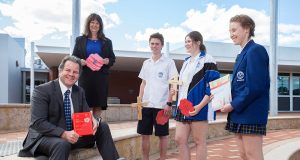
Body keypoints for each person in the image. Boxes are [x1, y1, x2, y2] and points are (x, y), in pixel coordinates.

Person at [18, 56, 124, 160]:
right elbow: (38, 123)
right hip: (45, 137)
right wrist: (63, 134)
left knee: (103, 127)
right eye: (68, 70)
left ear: (79, 75)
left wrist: (94, 120)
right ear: (60, 71)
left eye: (75, 72)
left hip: (73, 135)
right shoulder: (42, 91)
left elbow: (87, 113)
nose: (71, 74)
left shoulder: (79, 91)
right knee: (62, 144)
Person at [220, 14, 270, 160]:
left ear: (247, 29)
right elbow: (239, 86)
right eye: (230, 31)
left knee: (252, 155)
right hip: (239, 113)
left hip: (251, 113)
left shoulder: (256, 50)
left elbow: (255, 86)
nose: (231, 35)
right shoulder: (242, 54)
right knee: (243, 155)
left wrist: (233, 105)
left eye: (234, 30)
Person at [173, 31, 220, 160]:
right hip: (183, 107)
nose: (186, 44)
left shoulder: (208, 59)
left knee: (199, 141)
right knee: (179, 139)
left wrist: (199, 106)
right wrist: (175, 91)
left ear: (198, 42)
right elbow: (184, 85)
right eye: (185, 41)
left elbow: (212, 86)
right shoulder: (186, 61)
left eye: (189, 41)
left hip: (199, 106)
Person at [137, 32, 178, 160]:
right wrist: (139, 102)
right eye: (152, 43)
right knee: (144, 135)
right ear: (150, 45)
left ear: (162, 45)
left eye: (157, 44)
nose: (154, 46)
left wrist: (169, 103)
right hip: (146, 105)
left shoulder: (169, 62)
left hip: (162, 106)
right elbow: (143, 83)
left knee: (163, 136)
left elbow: (174, 84)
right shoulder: (146, 63)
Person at [72, 13, 115, 116]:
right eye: (92, 22)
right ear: (88, 24)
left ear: (100, 26)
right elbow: (74, 57)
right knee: (86, 105)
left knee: (98, 106)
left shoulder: (107, 42)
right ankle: (86, 131)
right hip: (86, 77)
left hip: (101, 78)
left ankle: (97, 129)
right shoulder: (80, 40)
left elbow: (112, 58)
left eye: (97, 23)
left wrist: (107, 61)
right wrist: (80, 61)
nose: (94, 25)